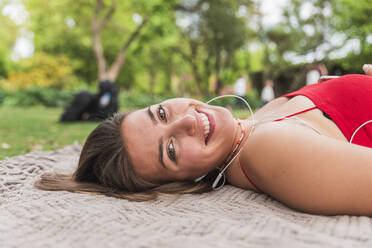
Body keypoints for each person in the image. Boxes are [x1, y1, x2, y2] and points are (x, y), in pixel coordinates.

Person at [36, 64, 372, 216]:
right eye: (170, 150)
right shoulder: (268, 152)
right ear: (185, 182)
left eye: (161, 113)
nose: (186, 121)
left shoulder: (253, 124)